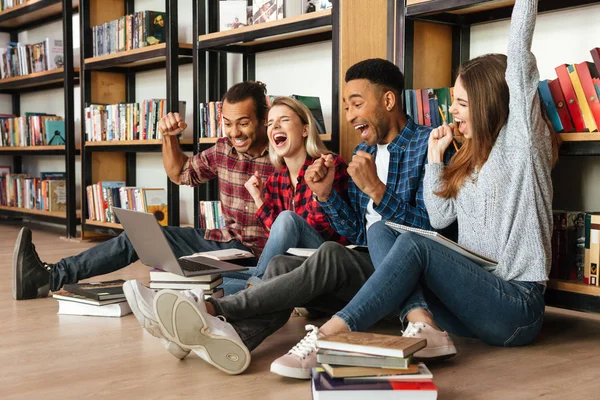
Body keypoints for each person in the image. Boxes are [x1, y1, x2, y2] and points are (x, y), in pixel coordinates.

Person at [125, 58, 447, 376]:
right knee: (280, 266)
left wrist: (377, 191)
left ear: (388, 100)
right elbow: (358, 235)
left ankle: (209, 308)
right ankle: (232, 337)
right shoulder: (365, 155)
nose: (349, 116)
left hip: (402, 274)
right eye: (345, 107)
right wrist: (326, 196)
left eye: (355, 104)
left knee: (328, 250)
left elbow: (431, 235)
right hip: (363, 267)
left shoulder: (427, 146)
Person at [286, 0, 557, 370]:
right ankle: (422, 324)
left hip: (516, 306)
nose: (454, 111)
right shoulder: (468, 158)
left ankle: (331, 333)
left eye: (461, 102)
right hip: (474, 300)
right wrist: (433, 158)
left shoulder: (522, 147)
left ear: (490, 104)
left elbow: (518, 57)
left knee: (413, 243)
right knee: (383, 229)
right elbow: (440, 217)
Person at [12, 81, 276, 353]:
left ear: (264, 118)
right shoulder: (223, 150)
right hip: (227, 245)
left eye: (243, 123)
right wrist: (168, 137)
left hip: (267, 255)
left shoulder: (282, 153)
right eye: (228, 123)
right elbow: (180, 173)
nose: (234, 132)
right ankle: (49, 277)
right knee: (139, 238)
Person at [220, 96, 348, 295]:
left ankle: (257, 289)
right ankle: (258, 289)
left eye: (284, 120)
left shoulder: (329, 165)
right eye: (270, 123)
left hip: (326, 261)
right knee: (216, 279)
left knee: (288, 218)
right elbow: (278, 243)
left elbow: (330, 231)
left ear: (305, 129)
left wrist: (317, 191)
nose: (275, 126)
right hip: (291, 267)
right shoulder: (275, 180)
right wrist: (258, 198)